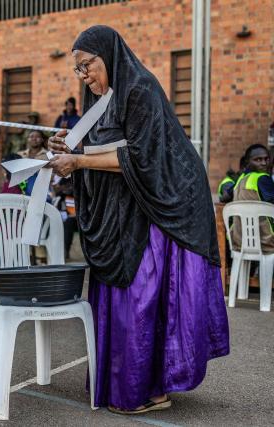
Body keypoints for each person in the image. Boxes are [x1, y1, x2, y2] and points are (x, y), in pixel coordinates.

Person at [47, 26, 229, 414]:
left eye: (88, 66)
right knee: (127, 294)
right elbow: (104, 149)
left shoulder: (140, 88)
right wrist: (69, 148)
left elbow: (142, 158)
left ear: (108, 56)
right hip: (131, 205)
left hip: (165, 203)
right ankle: (132, 384)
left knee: (141, 294)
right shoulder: (100, 98)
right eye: (78, 70)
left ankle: (147, 390)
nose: (84, 76)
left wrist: (78, 160)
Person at [231, 144, 274, 252]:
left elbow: (224, 197)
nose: (264, 163)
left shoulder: (240, 179)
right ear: (247, 163)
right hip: (265, 242)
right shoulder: (262, 178)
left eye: (266, 159)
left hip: (240, 242)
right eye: (258, 160)